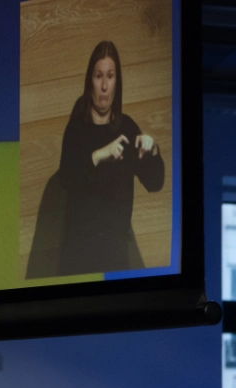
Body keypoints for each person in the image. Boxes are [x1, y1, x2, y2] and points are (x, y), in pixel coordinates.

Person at [55, 40, 165, 274]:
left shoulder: (127, 128)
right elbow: (66, 178)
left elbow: (155, 183)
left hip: (114, 257)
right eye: (98, 76)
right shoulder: (77, 128)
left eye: (110, 76)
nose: (104, 86)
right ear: (90, 81)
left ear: (118, 82)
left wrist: (153, 153)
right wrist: (99, 155)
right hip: (77, 254)